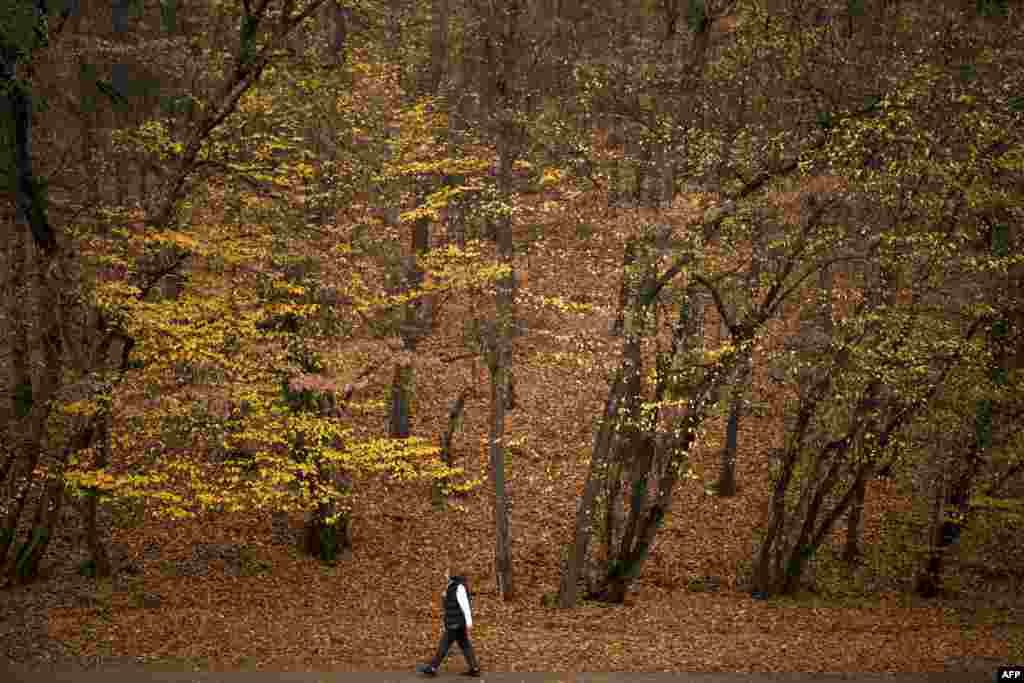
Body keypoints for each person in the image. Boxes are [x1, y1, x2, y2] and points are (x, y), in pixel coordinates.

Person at [416, 569, 480, 677]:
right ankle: (474, 668)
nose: (444, 574)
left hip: (455, 623)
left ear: (451, 575)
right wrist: (445, 596)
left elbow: (465, 605)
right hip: (455, 622)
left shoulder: (459, 587)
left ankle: (432, 667)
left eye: (446, 573)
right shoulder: (451, 586)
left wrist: (469, 622)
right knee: (464, 644)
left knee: (444, 644)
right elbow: (450, 603)